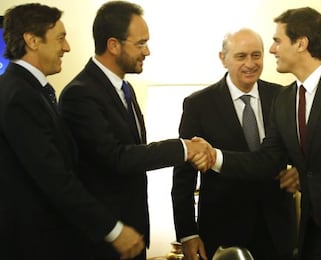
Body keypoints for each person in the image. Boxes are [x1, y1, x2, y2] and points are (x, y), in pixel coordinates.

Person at [194, 7, 321, 260]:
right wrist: (214, 156)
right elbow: (267, 160)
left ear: (301, 43)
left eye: (277, 41)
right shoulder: (284, 99)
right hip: (312, 238)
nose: (272, 50)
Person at [58, 1, 212, 259]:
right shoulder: (80, 94)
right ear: (113, 45)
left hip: (133, 235)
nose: (147, 51)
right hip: (102, 242)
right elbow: (117, 157)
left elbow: (135, 153)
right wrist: (184, 148)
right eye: (140, 43)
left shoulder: (125, 90)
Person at [0, 3, 147, 260]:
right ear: (32, 40)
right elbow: (54, 176)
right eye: (60, 38)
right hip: (32, 244)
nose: (66, 47)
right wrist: (113, 230)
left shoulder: (30, 90)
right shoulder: (19, 95)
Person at [171, 28, 297, 259]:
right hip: (223, 229)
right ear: (223, 59)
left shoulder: (283, 97)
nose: (250, 63)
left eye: (256, 55)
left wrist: (299, 169)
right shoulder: (199, 104)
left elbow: (299, 149)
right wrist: (187, 233)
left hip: (277, 229)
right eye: (241, 56)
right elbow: (183, 176)